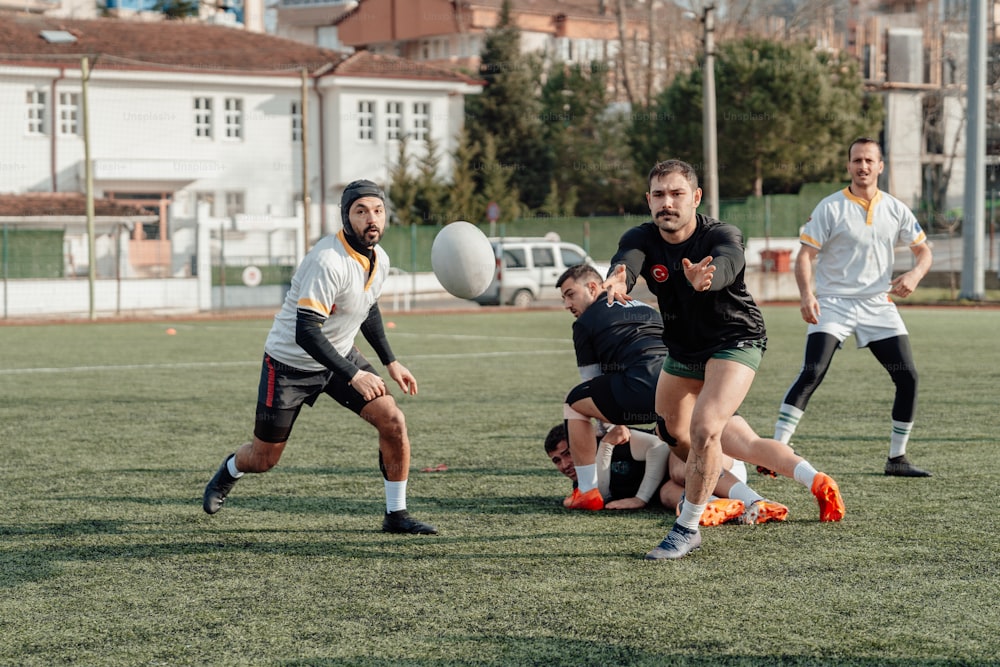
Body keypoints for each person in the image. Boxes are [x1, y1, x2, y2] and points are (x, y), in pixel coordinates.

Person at [603, 159, 845, 561]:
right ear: (648, 200)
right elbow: (627, 260)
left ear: (695, 197)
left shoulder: (721, 233)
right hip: (683, 350)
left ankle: (687, 528)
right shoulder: (642, 236)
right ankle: (764, 490)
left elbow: (729, 263)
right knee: (672, 433)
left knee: (705, 429)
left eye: (677, 193)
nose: (668, 203)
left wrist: (707, 279)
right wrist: (616, 277)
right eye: (659, 195)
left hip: (735, 340)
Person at [201, 179, 437, 535]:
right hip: (288, 365)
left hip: (338, 356)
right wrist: (355, 375)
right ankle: (231, 469)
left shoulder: (380, 259)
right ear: (346, 217)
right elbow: (306, 331)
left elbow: (366, 306)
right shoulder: (327, 260)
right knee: (264, 459)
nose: (371, 219)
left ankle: (396, 514)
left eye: (377, 210)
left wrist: (390, 361)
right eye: (360, 211)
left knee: (393, 421)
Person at [557, 262, 825, 527]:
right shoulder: (643, 307)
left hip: (645, 388)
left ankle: (587, 492)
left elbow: (591, 382)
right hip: (684, 380)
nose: (567, 304)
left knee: (574, 404)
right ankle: (814, 480)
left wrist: (613, 425)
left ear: (593, 287)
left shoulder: (586, 322)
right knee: (746, 444)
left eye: (570, 295)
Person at [772, 137, 934, 478]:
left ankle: (897, 458)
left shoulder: (895, 208)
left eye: (869, 160)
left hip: (878, 305)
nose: (863, 166)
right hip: (834, 304)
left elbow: (924, 251)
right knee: (813, 372)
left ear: (880, 166)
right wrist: (806, 295)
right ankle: (775, 451)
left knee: (908, 377)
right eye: (857, 160)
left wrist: (915, 275)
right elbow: (805, 255)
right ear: (848, 166)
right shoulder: (830, 207)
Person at [543, 422, 787, 527]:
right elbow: (599, 496)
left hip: (718, 470)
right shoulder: (585, 482)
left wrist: (640, 498)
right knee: (668, 494)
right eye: (557, 460)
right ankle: (725, 507)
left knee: (679, 469)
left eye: (568, 453)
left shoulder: (621, 438)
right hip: (701, 488)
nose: (564, 464)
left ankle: (757, 500)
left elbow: (659, 447)